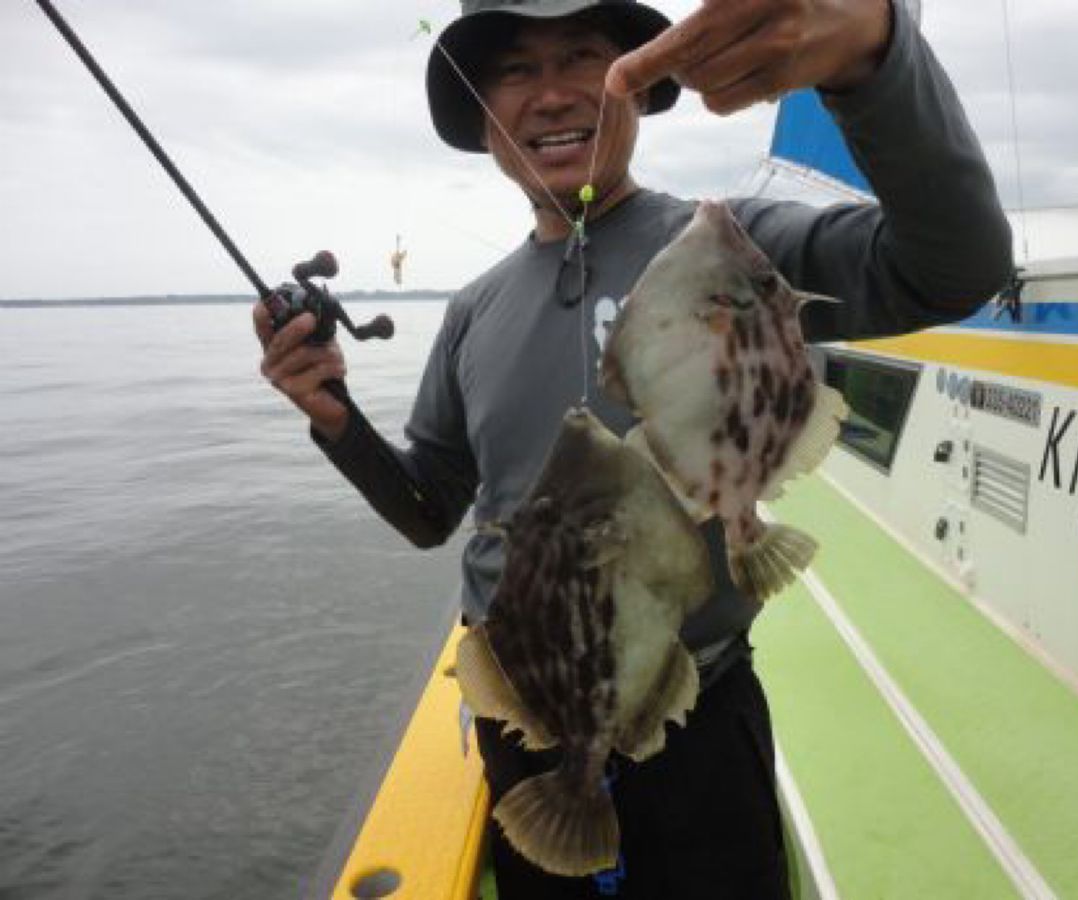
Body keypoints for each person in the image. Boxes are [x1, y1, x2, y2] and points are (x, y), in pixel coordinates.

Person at [254, 0, 1012, 896]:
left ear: (639, 81)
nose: (550, 93)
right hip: (531, 731)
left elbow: (952, 267)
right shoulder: (473, 312)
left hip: (699, 721)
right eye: (514, 69)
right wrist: (335, 416)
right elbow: (431, 509)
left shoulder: (731, 249)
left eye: (580, 53)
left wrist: (874, 62)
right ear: (484, 112)